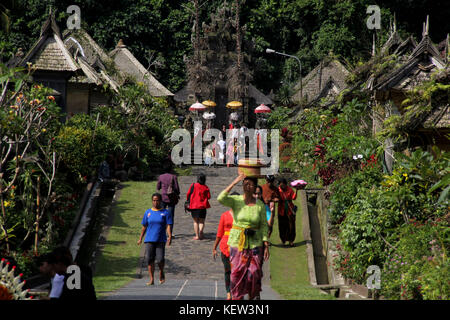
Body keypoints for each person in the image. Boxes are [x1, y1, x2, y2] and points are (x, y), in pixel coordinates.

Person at [217, 174, 269, 300]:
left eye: (250, 184)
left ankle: (252, 297)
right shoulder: (236, 200)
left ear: (255, 187)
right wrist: (234, 181)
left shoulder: (260, 205)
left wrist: (266, 244)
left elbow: (263, 225)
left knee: (254, 274)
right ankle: (236, 299)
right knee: (235, 275)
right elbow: (220, 198)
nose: (247, 186)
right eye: (245, 184)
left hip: (255, 243)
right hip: (237, 242)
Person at [138, 193, 173, 285]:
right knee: (149, 259)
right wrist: (140, 238)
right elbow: (144, 226)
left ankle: (161, 272)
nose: (155, 202)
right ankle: (151, 279)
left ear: (160, 201)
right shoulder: (148, 212)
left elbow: (168, 225)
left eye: (157, 200)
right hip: (149, 239)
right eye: (154, 200)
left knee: (160, 259)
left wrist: (169, 235)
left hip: (160, 239)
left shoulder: (165, 212)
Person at [212, 208, 234, 300]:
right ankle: (228, 291)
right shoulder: (224, 215)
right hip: (226, 246)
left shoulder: (242, 215)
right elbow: (219, 233)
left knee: (237, 271)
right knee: (227, 270)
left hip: (239, 246)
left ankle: (236, 291)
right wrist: (214, 247)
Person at [157, 162, 180, 235]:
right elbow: (176, 188)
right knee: (170, 216)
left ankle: (161, 231)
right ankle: (170, 233)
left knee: (161, 215)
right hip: (171, 198)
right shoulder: (174, 177)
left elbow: (158, 187)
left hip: (163, 198)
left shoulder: (161, 177)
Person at [186, 173, 211, 240]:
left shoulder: (193, 185)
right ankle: (201, 232)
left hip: (194, 206)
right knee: (202, 221)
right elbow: (209, 196)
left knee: (195, 221)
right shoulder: (206, 187)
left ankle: (197, 235)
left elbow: (188, 194)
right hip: (202, 207)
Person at [277, 178, 298, 247]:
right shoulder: (278, 190)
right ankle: (283, 241)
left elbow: (294, 198)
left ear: (286, 185)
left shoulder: (290, 190)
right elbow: (275, 197)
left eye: (283, 185)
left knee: (291, 226)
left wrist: (296, 191)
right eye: (280, 185)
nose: (282, 187)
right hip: (281, 210)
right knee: (282, 226)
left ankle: (291, 240)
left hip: (289, 210)